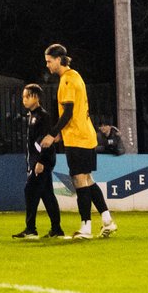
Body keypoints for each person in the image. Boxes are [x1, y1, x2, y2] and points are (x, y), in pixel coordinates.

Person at [47, 44, 113, 239]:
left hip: (78, 137)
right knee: (87, 179)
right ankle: (108, 220)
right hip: (85, 135)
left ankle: (86, 227)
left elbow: (68, 112)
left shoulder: (67, 79)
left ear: (58, 59)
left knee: (79, 180)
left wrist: (53, 133)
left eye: (49, 61)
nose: (47, 65)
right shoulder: (75, 76)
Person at [13, 83, 64, 238]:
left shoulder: (43, 116)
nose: (24, 100)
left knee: (30, 191)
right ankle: (56, 229)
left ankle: (31, 229)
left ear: (35, 97)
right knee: (47, 195)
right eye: (23, 97)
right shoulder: (32, 115)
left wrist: (40, 161)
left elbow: (46, 141)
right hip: (38, 161)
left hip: (42, 162)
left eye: (27, 96)